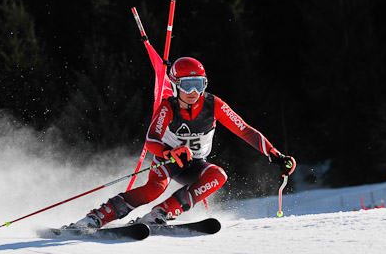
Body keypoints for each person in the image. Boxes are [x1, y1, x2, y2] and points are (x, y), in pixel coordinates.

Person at [72, 56, 296, 228]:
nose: (193, 92)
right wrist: (170, 152)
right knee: (154, 189)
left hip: (195, 164)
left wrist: (275, 155)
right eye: (187, 85)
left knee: (218, 175)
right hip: (167, 161)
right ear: (176, 84)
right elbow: (151, 140)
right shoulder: (168, 107)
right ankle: (97, 217)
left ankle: (160, 213)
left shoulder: (214, 105)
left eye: (198, 84)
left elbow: (245, 131)